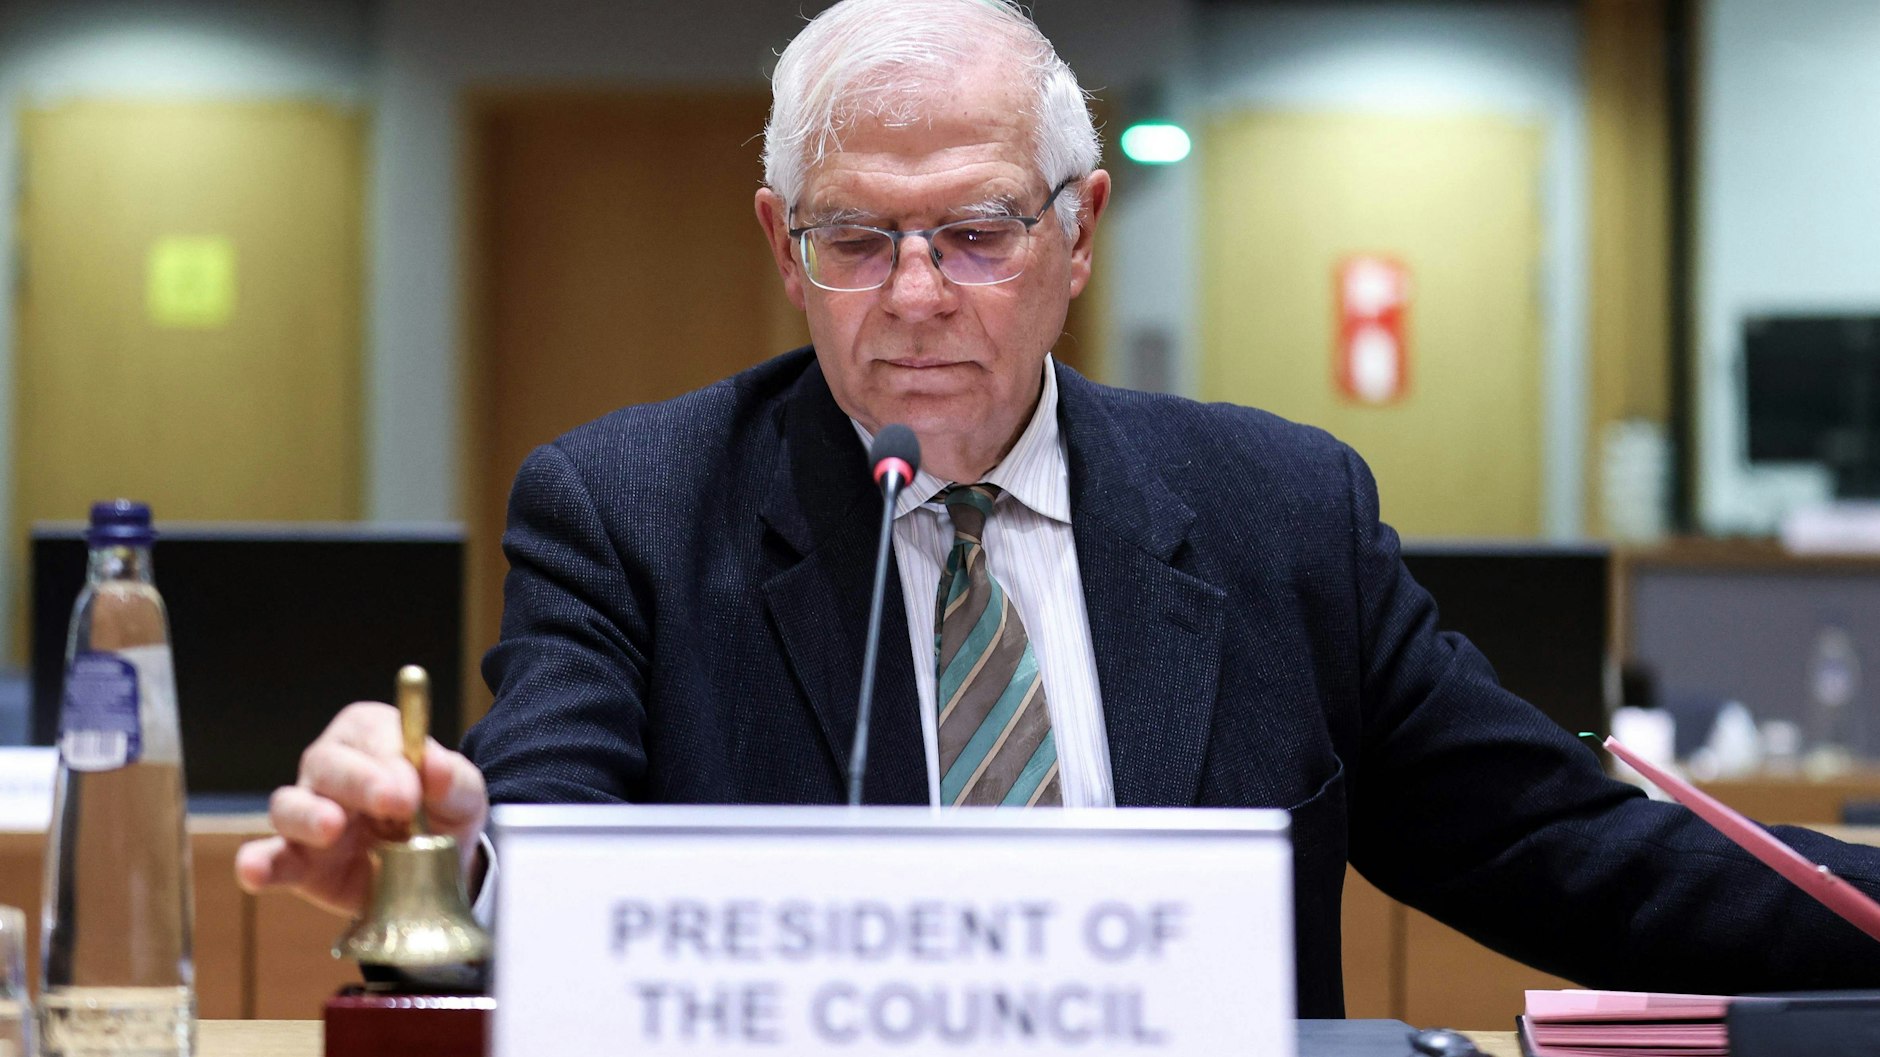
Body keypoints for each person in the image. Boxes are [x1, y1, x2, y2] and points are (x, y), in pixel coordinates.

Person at [236, 0, 1880, 1016]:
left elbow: (1554, 843)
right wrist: (447, 860)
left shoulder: (1276, 508)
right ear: (782, 246)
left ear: (1081, 231)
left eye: (976, 232)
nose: (915, 295)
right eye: (855, 239)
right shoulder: (629, 509)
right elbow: (554, 853)